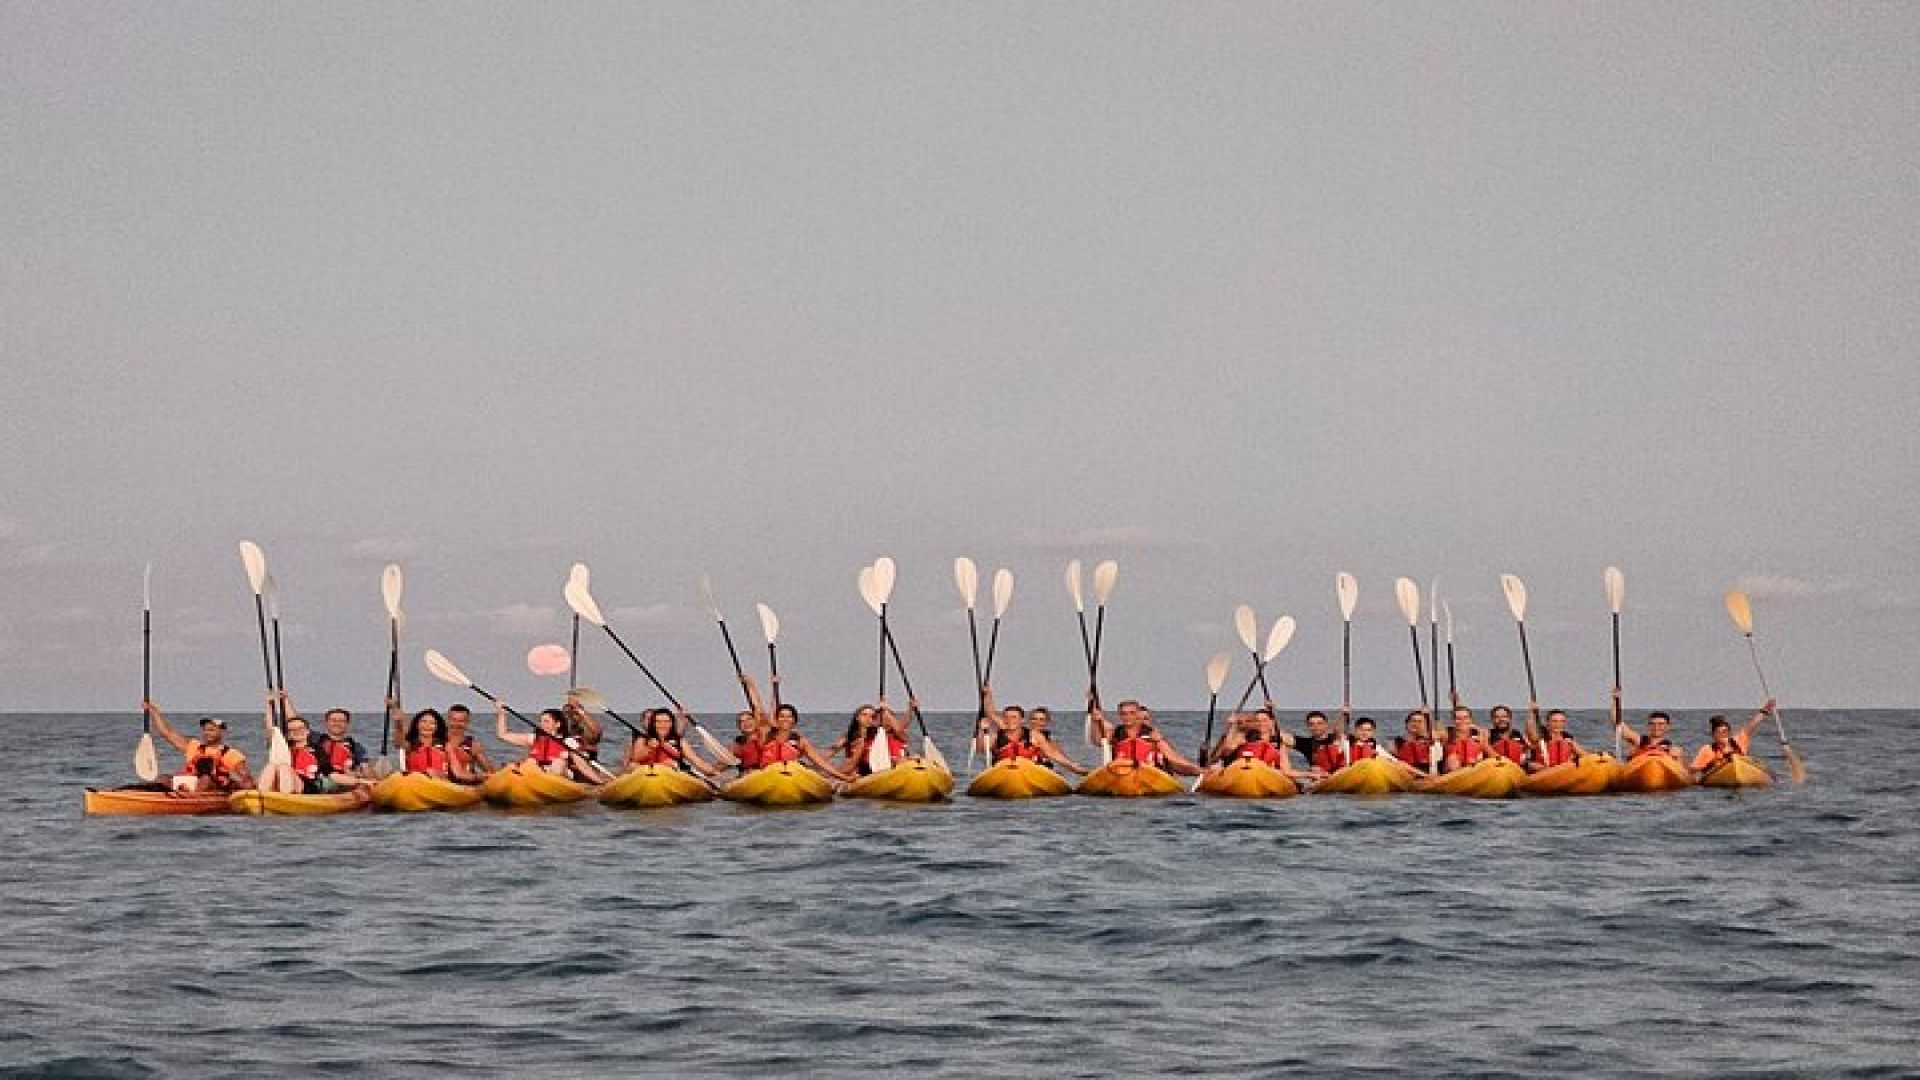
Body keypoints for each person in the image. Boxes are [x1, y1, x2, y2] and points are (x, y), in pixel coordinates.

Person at [144, 701, 253, 792]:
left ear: (222, 732)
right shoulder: (193, 746)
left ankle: (188, 797)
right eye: (205, 730)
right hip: (189, 782)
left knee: (205, 780)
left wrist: (243, 786)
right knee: (163, 778)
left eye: (211, 730)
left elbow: (246, 777)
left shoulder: (232, 754)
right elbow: (167, 733)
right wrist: (154, 711)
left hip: (211, 786)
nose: (207, 733)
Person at [1089, 700, 1202, 777]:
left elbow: (1173, 758)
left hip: (1149, 772)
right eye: (1124, 714)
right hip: (1121, 771)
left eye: (1131, 713)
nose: (1127, 717)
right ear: (1119, 715)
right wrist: (1095, 721)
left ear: (1138, 714)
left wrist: (1197, 770)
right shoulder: (1116, 733)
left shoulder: (1152, 734)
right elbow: (1098, 741)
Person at [984, 695, 1089, 775]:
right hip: (1007, 770)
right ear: (1027, 721)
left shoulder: (1044, 740)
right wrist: (987, 695)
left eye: (1041, 720)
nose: (1037, 722)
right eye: (1034, 719)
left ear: (1047, 722)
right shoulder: (1010, 727)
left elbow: (1056, 755)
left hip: (1035, 770)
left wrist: (1074, 767)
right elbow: (991, 714)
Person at [758, 703, 854, 782]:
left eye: (789, 716)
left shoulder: (800, 741)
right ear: (776, 720)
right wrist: (750, 684)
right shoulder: (766, 735)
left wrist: (843, 777)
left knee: (806, 767)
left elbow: (820, 762)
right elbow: (758, 709)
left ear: (794, 721)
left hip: (791, 776)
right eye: (782, 716)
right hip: (768, 775)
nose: (785, 719)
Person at [623, 708, 723, 778]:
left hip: (670, 773)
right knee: (633, 766)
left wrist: (716, 774)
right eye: (658, 722)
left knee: (671, 763)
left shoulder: (680, 742)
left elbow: (697, 761)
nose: (662, 725)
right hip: (645, 773)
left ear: (671, 724)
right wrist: (649, 748)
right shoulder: (642, 740)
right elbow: (635, 759)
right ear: (653, 724)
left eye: (666, 722)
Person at [1690, 700, 1773, 778]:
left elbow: (1750, 727)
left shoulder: (1738, 741)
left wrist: (1763, 712)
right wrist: (1710, 765)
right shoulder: (1706, 749)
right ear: (1713, 735)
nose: (1723, 735)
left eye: (1725, 731)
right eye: (1719, 732)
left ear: (1729, 732)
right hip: (1717, 778)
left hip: (1742, 772)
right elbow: (1693, 770)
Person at [256, 711, 324, 794]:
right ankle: (262, 796)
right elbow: (271, 730)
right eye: (292, 730)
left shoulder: (317, 749)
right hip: (283, 779)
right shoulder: (284, 748)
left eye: (300, 728)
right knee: (271, 766)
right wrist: (269, 704)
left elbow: (326, 770)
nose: (297, 731)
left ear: (308, 731)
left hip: (306, 785)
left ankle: (285, 797)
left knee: (284, 767)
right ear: (288, 735)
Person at [310, 706, 372, 790]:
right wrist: (285, 698)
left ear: (347, 723)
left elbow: (366, 768)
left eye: (341, 721)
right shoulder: (316, 738)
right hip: (321, 780)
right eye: (333, 720)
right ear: (326, 722)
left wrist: (367, 779)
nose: (337, 723)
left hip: (346, 782)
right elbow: (295, 720)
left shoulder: (355, 746)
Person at [443, 703, 494, 784]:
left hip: (466, 786)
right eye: (454, 720)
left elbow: (490, 772)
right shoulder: (437, 742)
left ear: (467, 722)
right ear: (447, 720)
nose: (457, 724)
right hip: (441, 785)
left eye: (461, 721)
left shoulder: (473, 745)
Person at [1616, 709, 1683, 761]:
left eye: (1661, 724)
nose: (1656, 727)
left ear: (1667, 727)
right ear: (1648, 726)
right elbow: (1618, 724)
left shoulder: (1674, 750)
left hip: (1663, 770)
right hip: (1638, 770)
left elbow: (1682, 774)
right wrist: (1615, 700)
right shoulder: (1638, 741)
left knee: (1677, 752)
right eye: (1652, 724)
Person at [1440, 706, 1488, 772]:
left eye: (1465, 718)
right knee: (1452, 758)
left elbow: (1489, 752)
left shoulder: (1480, 733)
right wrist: (1426, 717)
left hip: (1474, 768)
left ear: (1471, 720)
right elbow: (1429, 734)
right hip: (1452, 772)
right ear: (1453, 720)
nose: (1462, 721)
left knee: (1479, 756)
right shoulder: (1446, 734)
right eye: (1458, 718)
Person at [1393, 710, 1441, 775]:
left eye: (1419, 722)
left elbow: (1441, 733)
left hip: (1426, 776)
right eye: (1413, 721)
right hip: (1405, 776)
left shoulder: (1431, 742)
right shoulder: (1398, 742)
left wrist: (1429, 717)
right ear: (1407, 724)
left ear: (1425, 726)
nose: (1416, 724)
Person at [730, 710, 766, 775]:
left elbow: (758, 708)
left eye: (749, 719)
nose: (746, 723)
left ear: (755, 721)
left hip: (769, 774)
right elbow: (723, 764)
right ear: (738, 727)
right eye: (742, 721)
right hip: (749, 778)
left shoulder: (765, 736)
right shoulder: (737, 745)